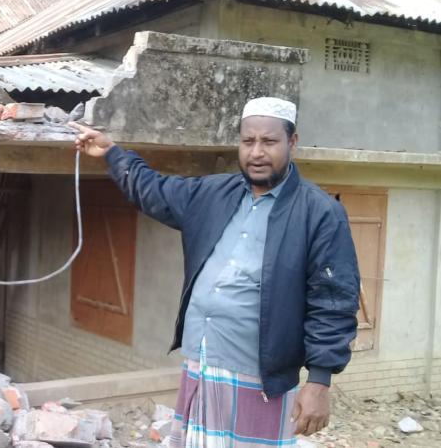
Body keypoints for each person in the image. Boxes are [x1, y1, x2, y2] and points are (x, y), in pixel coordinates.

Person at [72, 97, 360, 447]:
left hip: (261, 375)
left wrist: (319, 381)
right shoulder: (212, 193)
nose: (256, 152)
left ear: (292, 142)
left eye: (269, 142)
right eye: (248, 141)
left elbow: (333, 300)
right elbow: (154, 190)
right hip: (202, 361)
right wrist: (113, 153)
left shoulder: (319, 213)